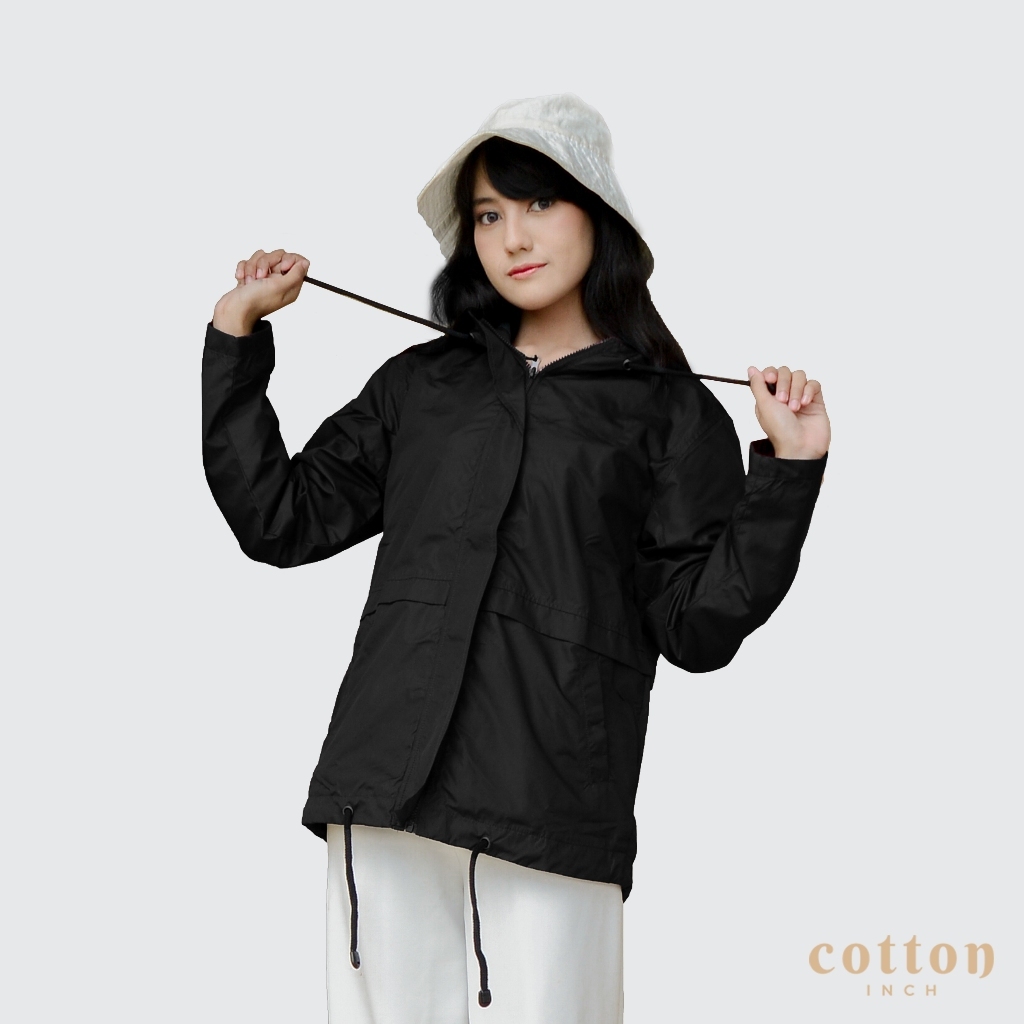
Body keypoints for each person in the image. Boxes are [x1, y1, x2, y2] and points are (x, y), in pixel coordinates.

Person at [202, 93, 830, 1024]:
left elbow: (695, 627)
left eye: (539, 202)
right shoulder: (423, 385)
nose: (513, 237)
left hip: (552, 803)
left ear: (598, 214)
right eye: (488, 215)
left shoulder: (669, 413)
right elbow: (280, 520)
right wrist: (237, 335)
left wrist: (790, 469)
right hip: (385, 788)